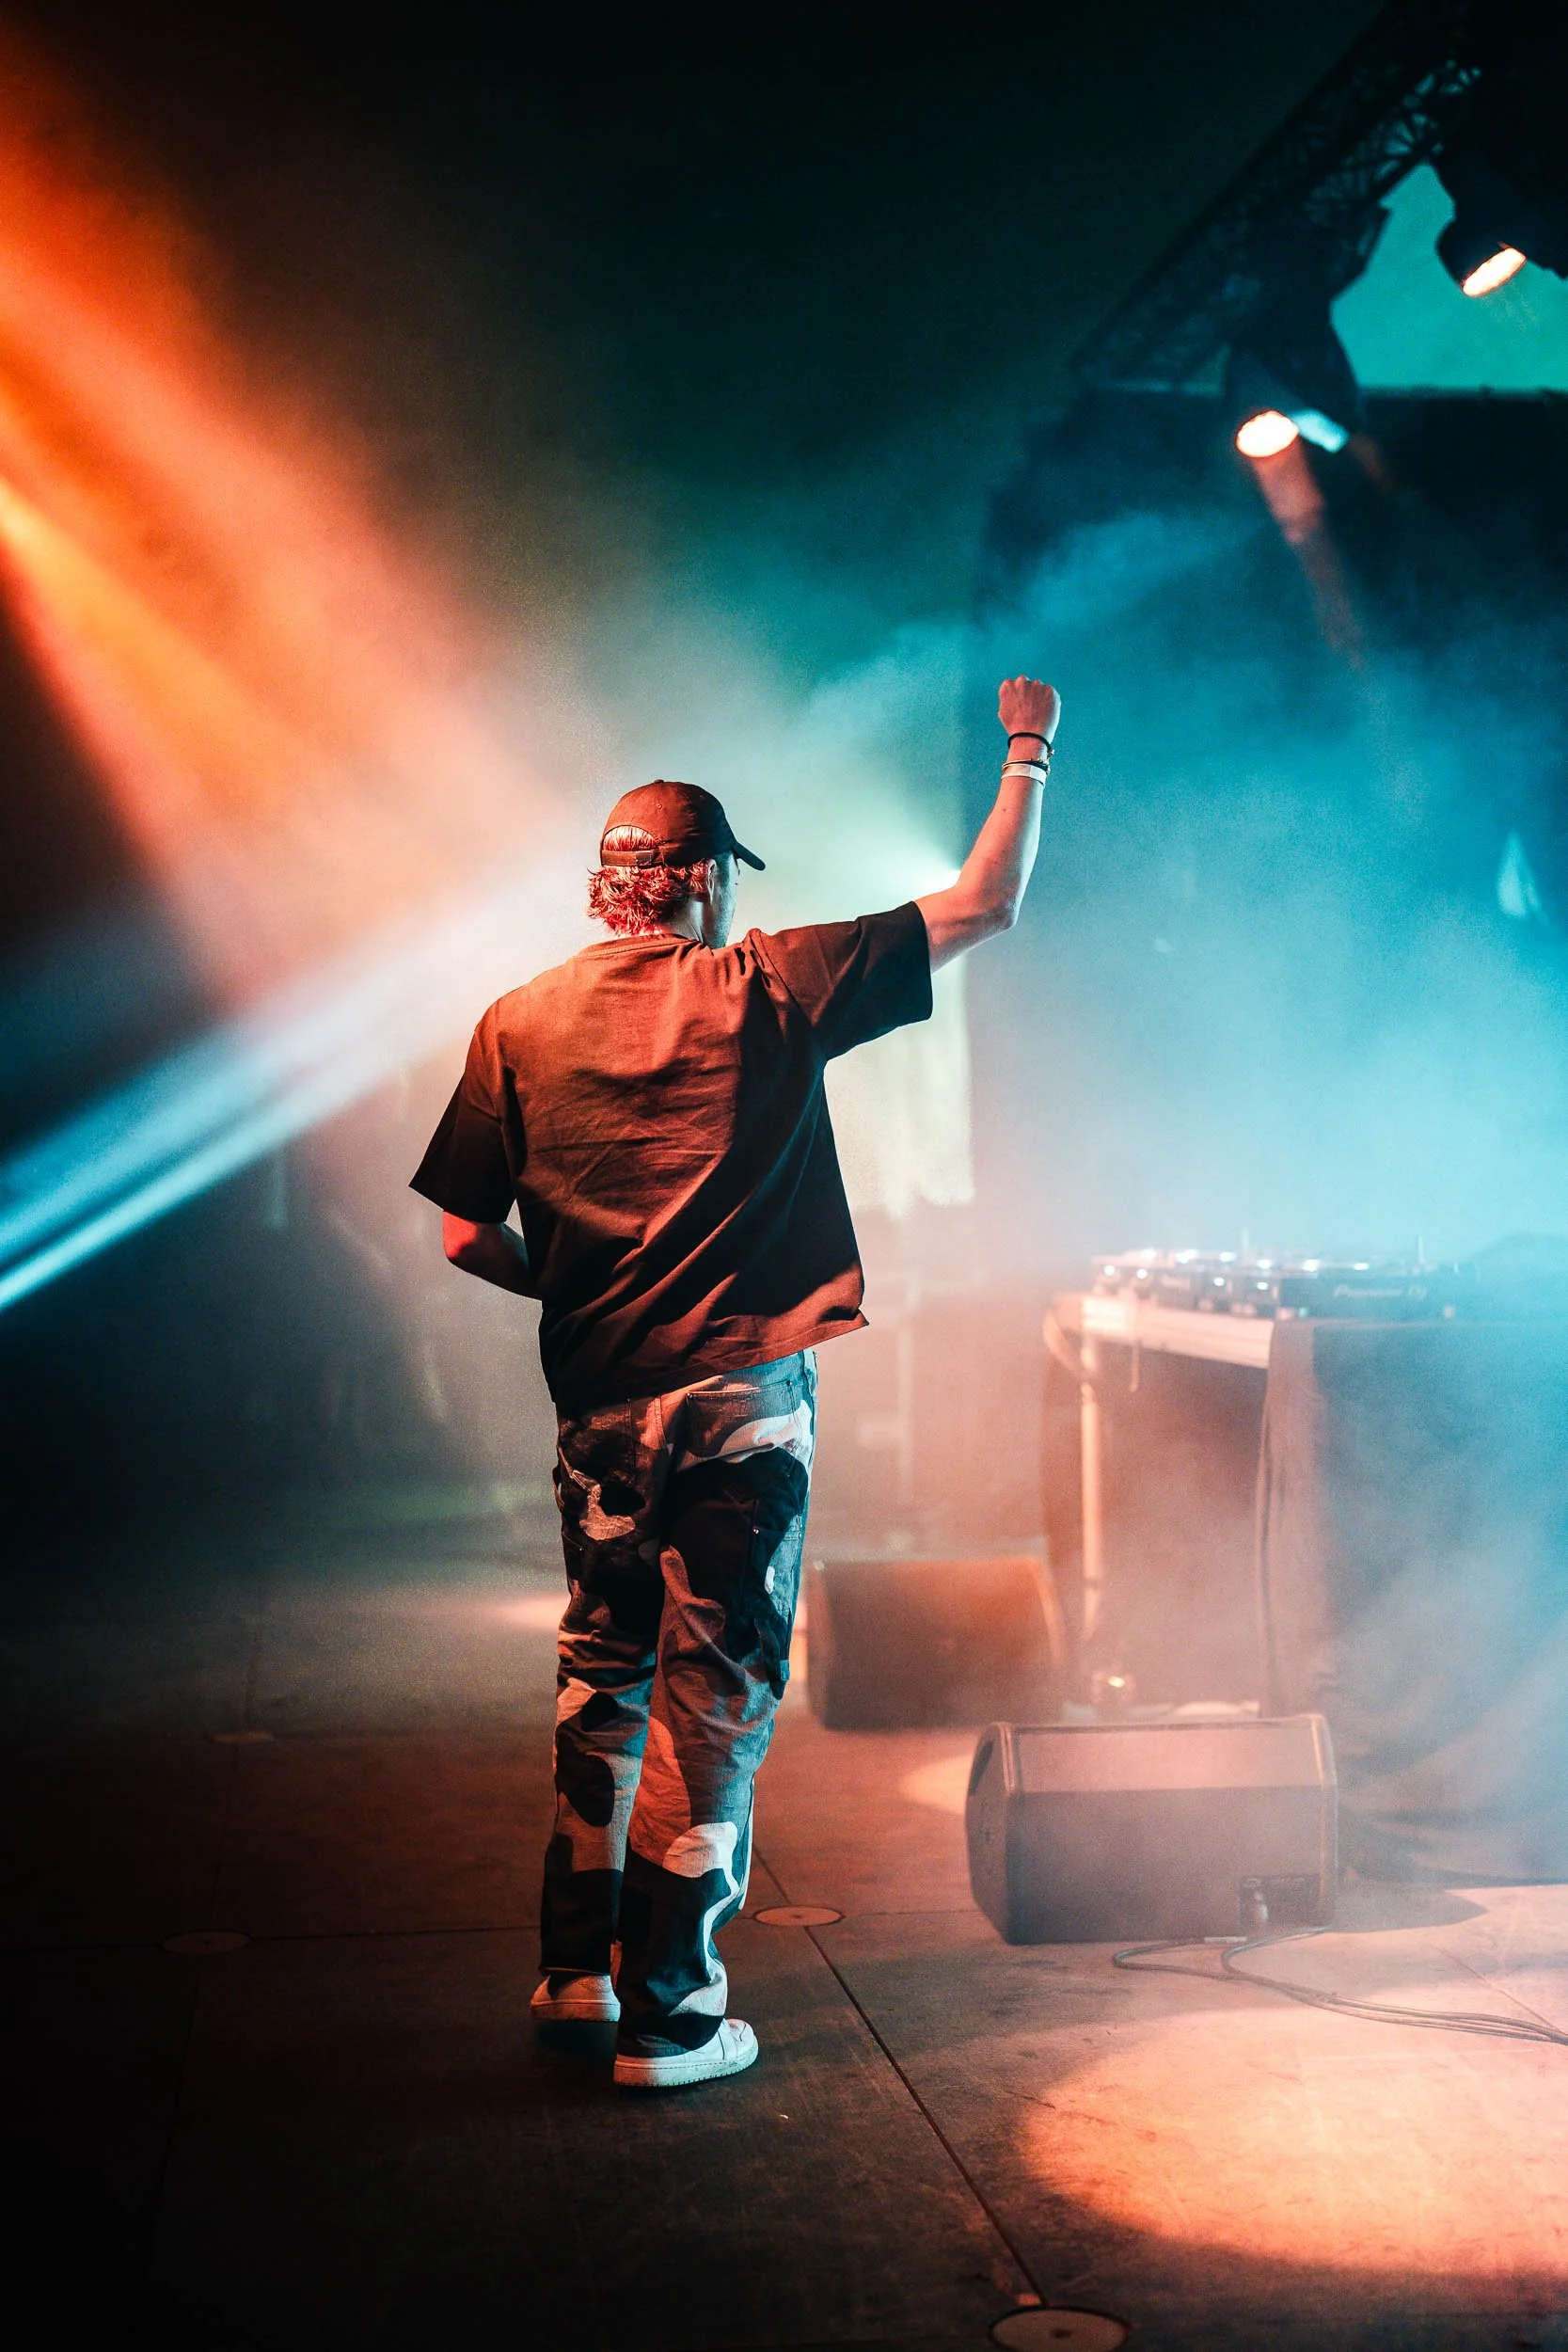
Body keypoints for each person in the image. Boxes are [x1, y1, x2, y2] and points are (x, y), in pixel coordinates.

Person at [410, 673, 1060, 2090]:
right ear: (697, 881)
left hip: (599, 1412)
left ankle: (575, 1975)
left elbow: (464, 1233)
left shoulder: (514, 1021)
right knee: (717, 1691)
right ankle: (677, 2016)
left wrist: (578, 1289)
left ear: (607, 888)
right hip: (744, 1406)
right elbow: (982, 906)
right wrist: (1028, 749)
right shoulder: (767, 980)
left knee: (601, 1679)